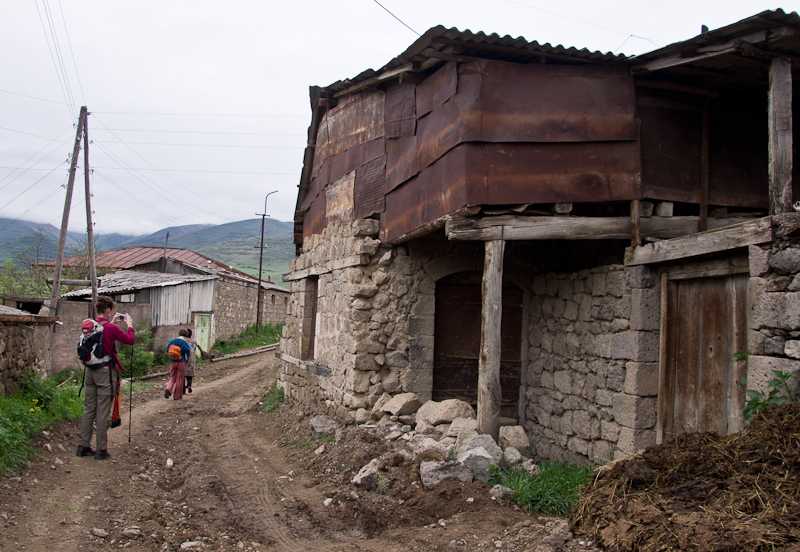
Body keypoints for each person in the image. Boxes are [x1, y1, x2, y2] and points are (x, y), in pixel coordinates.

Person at [76, 295, 135, 460]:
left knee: (89, 408)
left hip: (89, 372)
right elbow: (130, 340)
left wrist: (113, 323)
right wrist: (129, 325)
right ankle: (101, 449)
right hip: (105, 371)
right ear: (109, 310)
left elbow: (102, 337)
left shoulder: (91, 325)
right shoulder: (111, 328)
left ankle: (83, 446)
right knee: (102, 410)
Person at [164, 329, 191, 400]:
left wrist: (172, 357)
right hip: (181, 362)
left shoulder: (172, 341)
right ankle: (177, 396)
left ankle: (168, 388)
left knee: (172, 377)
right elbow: (188, 356)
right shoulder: (185, 343)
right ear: (186, 335)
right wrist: (186, 361)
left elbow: (166, 351)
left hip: (172, 362)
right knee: (180, 379)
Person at [183, 328, 198, 394]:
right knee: (190, 373)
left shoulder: (183, 341)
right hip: (192, 359)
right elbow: (194, 350)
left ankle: (183, 388)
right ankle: (189, 385)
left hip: (184, 359)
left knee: (183, 374)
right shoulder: (194, 342)